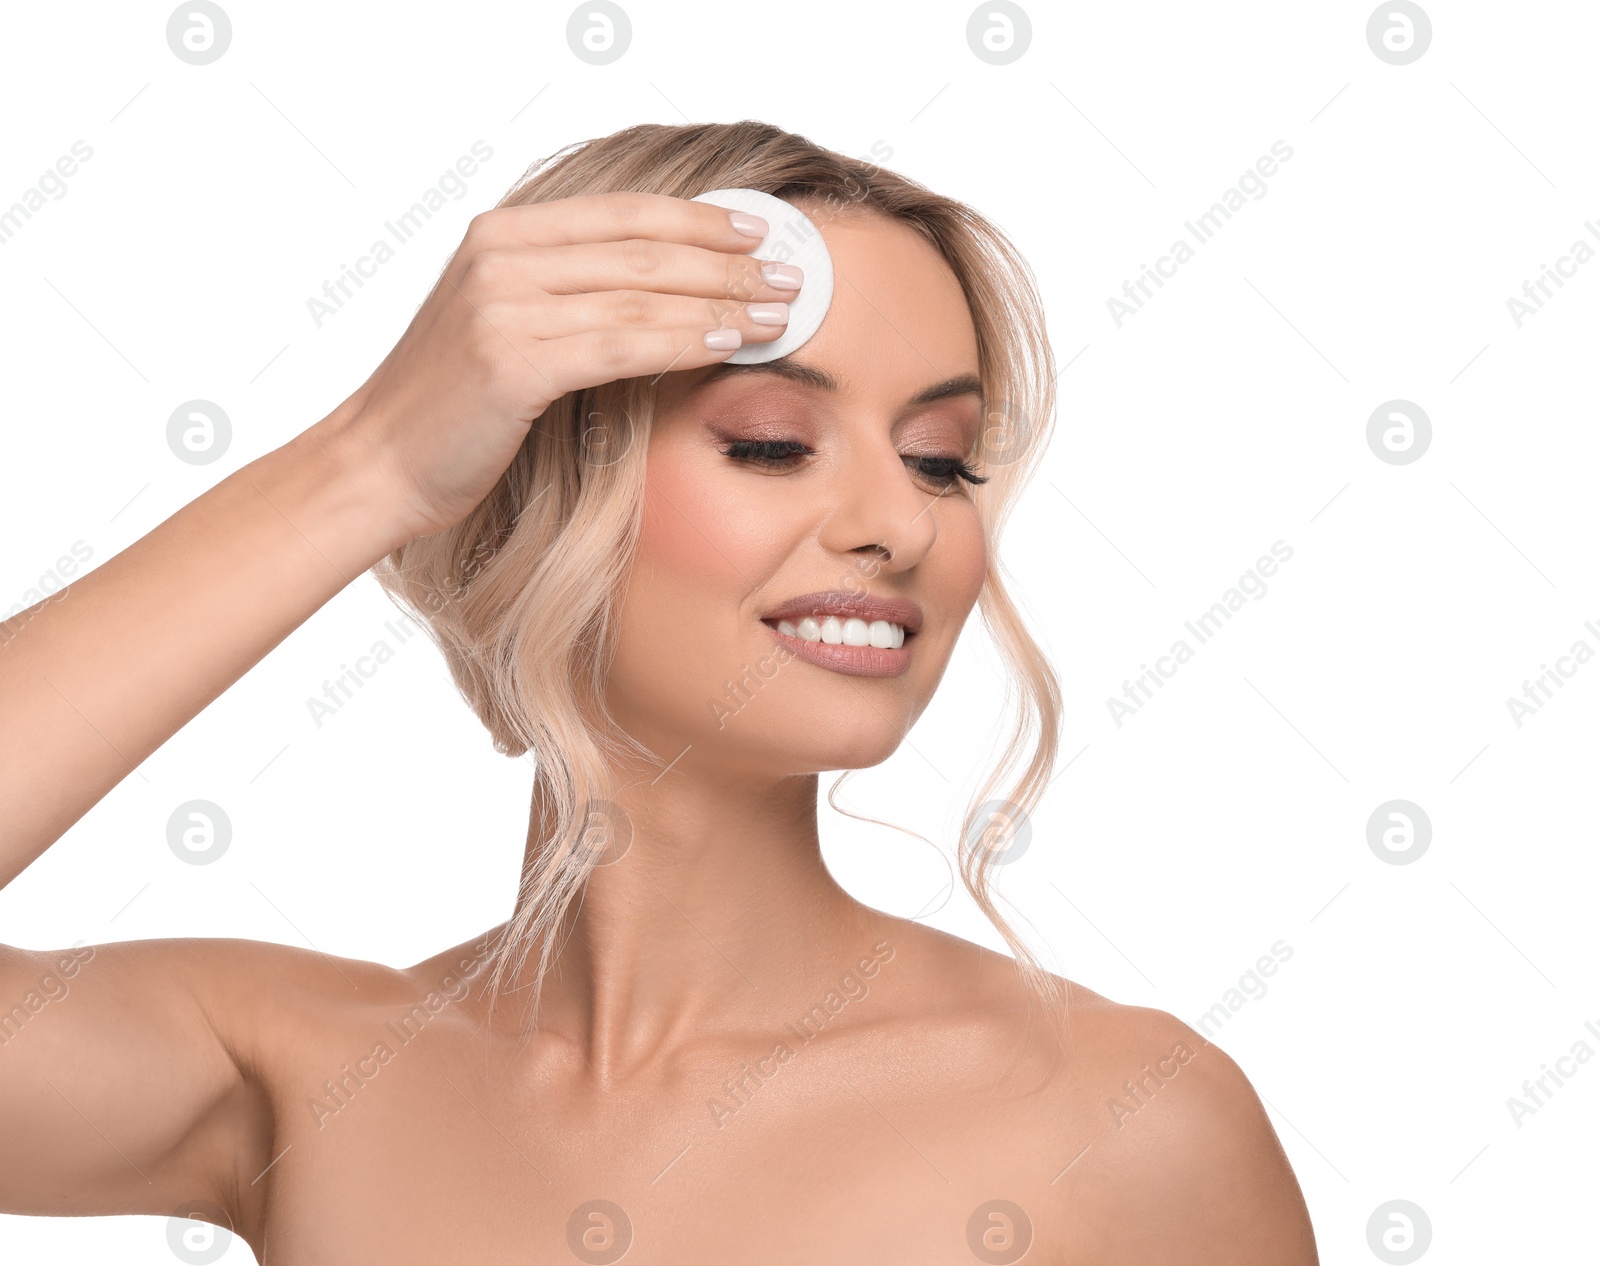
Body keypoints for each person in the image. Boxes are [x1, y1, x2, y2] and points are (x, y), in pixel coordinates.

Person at [0, 120, 1317, 1263]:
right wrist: (372, 462)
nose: (898, 526)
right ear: (532, 489)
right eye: (769, 441)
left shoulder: (1129, 1125)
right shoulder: (303, 1080)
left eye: (940, 461)